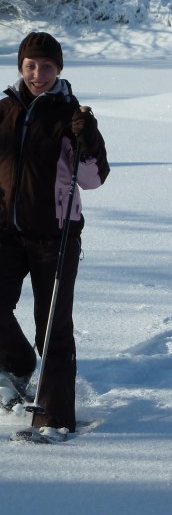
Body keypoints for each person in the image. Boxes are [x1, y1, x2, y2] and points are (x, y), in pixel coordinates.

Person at [0, 31, 110, 440]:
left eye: (46, 66)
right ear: (20, 67)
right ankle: (20, 365)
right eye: (30, 65)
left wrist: (89, 138)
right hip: (5, 233)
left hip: (56, 236)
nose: (38, 73)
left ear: (58, 69)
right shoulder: (4, 110)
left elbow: (93, 179)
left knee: (53, 326)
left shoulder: (70, 116)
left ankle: (55, 418)